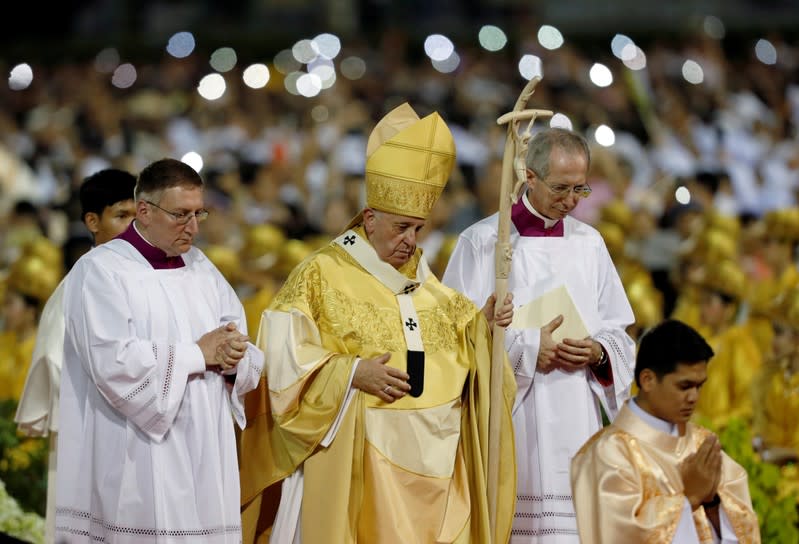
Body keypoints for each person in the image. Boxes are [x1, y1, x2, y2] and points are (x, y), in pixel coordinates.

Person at [239, 103, 517, 543]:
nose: (411, 241)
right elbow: (279, 359)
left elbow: (455, 346)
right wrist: (351, 372)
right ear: (370, 218)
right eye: (402, 227)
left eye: (419, 229)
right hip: (355, 460)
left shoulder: (426, 281)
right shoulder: (320, 273)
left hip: (432, 471)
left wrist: (483, 327)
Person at [54, 158, 264, 543]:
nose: (194, 227)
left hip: (206, 451)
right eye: (181, 214)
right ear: (145, 211)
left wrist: (237, 357)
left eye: (199, 213)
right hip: (140, 451)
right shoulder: (101, 270)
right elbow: (113, 362)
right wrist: (198, 354)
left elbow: (239, 339)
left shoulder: (201, 267)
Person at [442, 127, 635, 541]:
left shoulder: (590, 244)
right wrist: (528, 347)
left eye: (580, 190)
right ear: (529, 177)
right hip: (514, 419)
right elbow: (455, 336)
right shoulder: (482, 242)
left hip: (576, 413)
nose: (570, 201)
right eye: (560, 188)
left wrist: (599, 352)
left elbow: (618, 329)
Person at [13, 168, 137, 542]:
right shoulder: (77, 284)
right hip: (88, 435)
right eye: (121, 216)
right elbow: (54, 368)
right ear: (92, 221)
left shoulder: (143, 279)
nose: (132, 227)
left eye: (138, 215)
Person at [570, 319, 760, 543]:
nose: (694, 397)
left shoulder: (701, 444)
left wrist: (712, 504)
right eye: (684, 386)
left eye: (700, 386)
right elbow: (617, 536)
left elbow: (744, 527)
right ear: (648, 380)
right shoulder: (605, 454)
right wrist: (688, 498)